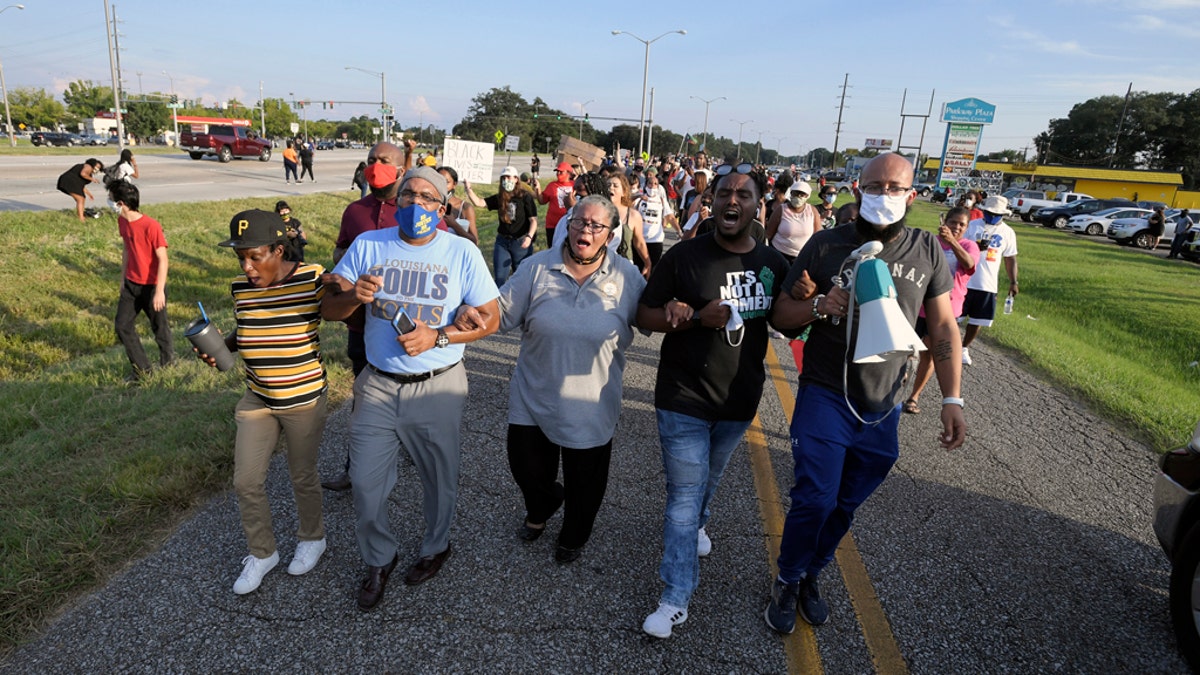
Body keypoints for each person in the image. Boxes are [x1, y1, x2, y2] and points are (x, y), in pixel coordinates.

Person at [764, 153, 967, 634]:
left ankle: (814, 570)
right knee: (815, 495)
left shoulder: (928, 251)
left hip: (884, 404)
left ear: (912, 195)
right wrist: (818, 305)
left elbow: (941, 326)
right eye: (875, 186)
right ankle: (788, 577)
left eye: (895, 187)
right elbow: (780, 317)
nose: (884, 195)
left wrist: (951, 398)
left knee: (845, 502)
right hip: (827, 391)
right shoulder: (824, 245)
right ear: (857, 189)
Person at [321, 166, 500, 611]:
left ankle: (436, 546)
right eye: (408, 195)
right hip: (379, 383)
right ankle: (379, 558)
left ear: (442, 207)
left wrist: (437, 336)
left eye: (426, 198)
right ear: (395, 200)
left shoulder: (460, 252)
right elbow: (329, 308)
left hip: (437, 386)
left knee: (439, 479)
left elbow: (491, 320)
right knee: (364, 482)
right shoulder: (368, 245)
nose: (416, 205)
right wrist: (353, 297)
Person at [636, 166, 790, 639]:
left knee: (707, 482)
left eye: (744, 195)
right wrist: (688, 317)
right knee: (683, 495)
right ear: (712, 201)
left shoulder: (772, 264)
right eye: (725, 193)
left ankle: (701, 524)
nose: (732, 201)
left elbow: (789, 321)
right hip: (682, 395)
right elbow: (644, 316)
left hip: (739, 399)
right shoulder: (684, 257)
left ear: (757, 207)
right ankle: (674, 597)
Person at [459, 195, 645, 564]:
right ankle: (542, 504)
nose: (585, 231)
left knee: (585, 485)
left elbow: (653, 318)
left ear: (609, 235)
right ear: (568, 223)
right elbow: (503, 314)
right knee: (526, 468)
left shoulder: (627, 276)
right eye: (579, 221)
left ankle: (573, 536)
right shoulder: (536, 268)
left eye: (596, 226)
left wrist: (683, 311)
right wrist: (469, 312)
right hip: (534, 394)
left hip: (591, 401)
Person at [196, 209, 331, 595]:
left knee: (301, 475)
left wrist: (348, 291)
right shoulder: (240, 288)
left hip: (302, 397)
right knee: (246, 480)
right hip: (257, 396)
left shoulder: (311, 277)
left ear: (278, 249)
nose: (247, 266)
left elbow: (339, 311)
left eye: (255, 256)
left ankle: (312, 538)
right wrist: (223, 346)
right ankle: (263, 552)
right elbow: (249, 328)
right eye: (240, 257)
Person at [322, 140, 416, 492]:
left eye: (384, 161)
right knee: (364, 395)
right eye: (371, 160)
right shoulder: (354, 211)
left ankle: (409, 445)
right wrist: (343, 270)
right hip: (360, 323)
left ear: (401, 169)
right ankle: (356, 467)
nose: (375, 166)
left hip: (401, 325)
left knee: (407, 394)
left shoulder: (412, 210)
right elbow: (340, 248)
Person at [904, 206, 979, 413]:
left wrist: (953, 242)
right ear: (944, 221)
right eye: (953, 222)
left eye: (961, 224)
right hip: (917, 306)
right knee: (905, 351)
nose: (956, 227)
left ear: (967, 228)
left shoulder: (969, 246)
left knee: (929, 355)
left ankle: (914, 397)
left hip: (946, 310)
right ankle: (894, 389)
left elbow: (969, 264)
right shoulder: (930, 242)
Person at [109, 181, 173, 382]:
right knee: (122, 326)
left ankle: (168, 363)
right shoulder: (122, 221)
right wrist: (122, 279)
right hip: (131, 284)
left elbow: (163, 258)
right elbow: (127, 249)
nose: (109, 202)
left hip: (152, 286)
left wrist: (159, 290)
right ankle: (142, 370)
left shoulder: (150, 226)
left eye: (111, 199)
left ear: (121, 202)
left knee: (159, 327)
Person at [961, 195, 1019, 366]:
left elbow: (1010, 258)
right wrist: (974, 248)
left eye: (996, 214)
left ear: (1003, 215)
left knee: (978, 320)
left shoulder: (1008, 232)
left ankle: (964, 347)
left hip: (987, 283)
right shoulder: (972, 226)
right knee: (955, 316)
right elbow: (959, 245)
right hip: (965, 280)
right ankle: (951, 344)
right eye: (989, 212)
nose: (992, 216)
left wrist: (1013, 281)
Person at [464, 166, 538, 285]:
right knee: (500, 278)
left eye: (509, 177)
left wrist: (529, 237)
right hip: (502, 241)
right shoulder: (500, 197)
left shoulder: (525, 197)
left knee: (521, 277)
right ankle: (499, 302)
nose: (507, 180)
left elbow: (533, 220)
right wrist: (468, 189)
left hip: (520, 241)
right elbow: (479, 202)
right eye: (504, 178)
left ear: (516, 179)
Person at [765, 181, 819, 264]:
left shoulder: (812, 211)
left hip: (802, 256)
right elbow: (769, 234)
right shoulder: (781, 210)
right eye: (795, 193)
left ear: (807, 196)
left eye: (802, 194)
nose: (798, 197)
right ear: (791, 193)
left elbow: (817, 236)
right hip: (780, 254)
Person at [634, 172, 678, 273]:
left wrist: (679, 231)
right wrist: (637, 197)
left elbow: (670, 217)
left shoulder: (661, 200)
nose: (652, 186)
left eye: (655, 184)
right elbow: (626, 203)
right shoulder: (640, 199)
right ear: (646, 185)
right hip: (640, 240)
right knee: (638, 268)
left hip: (655, 240)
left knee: (653, 269)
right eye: (650, 183)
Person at [539, 161, 576, 251]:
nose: (558, 174)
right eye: (557, 171)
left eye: (561, 172)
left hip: (569, 224)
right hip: (552, 224)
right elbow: (542, 201)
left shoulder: (574, 185)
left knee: (568, 250)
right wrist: (538, 189)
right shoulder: (552, 185)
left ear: (568, 173)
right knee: (552, 249)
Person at [436, 166, 478, 245]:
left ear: (454, 184)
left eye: (446, 182)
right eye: (438, 181)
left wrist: (454, 224)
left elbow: (474, 241)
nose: (442, 186)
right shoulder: (429, 205)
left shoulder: (465, 208)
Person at [57, 158, 103, 222]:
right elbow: (83, 174)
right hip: (68, 181)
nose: (97, 169)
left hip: (72, 182)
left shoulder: (89, 175)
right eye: (96, 166)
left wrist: (89, 194)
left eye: (99, 168)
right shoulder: (88, 166)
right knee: (80, 199)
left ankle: (81, 215)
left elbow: (81, 185)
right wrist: (92, 179)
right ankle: (81, 218)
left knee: (82, 198)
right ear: (92, 164)